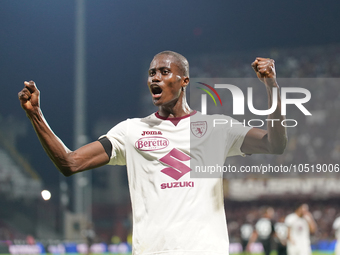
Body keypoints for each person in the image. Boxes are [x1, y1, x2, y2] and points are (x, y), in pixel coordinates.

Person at [18, 51, 287, 255]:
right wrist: (36, 116)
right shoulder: (131, 131)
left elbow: (275, 145)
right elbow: (70, 163)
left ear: (184, 81)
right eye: (151, 73)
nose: (154, 78)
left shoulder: (218, 128)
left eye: (163, 72)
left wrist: (272, 87)